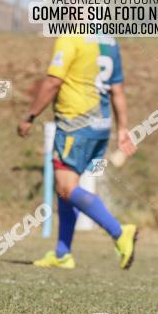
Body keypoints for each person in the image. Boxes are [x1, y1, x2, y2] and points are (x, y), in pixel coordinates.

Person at [18, 34, 138, 270]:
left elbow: (53, 81)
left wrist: (30, 116)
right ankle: (63, 253)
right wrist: (122, 127)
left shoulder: (71, 38)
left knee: (66, 187)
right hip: (100, 127)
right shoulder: (109, 42)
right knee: (66, 189)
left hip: (76, 124)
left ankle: (119, 231)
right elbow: (118, 89)